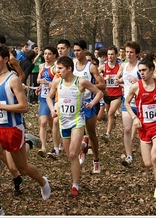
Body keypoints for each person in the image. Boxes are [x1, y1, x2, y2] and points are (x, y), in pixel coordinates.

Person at [0, 44, 51, 215]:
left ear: (5, 59)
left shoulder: (13, 79)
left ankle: (43, 181)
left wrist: (0, 106)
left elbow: (24, 107)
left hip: (13, 130)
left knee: (22, 169)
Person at [46, 56, 102, 197]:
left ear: (69, 68)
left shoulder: (80, 82)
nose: (57, 71)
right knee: (71, 157)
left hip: (77, 121)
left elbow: (99, 92)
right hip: (63, 122)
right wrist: (52, 109)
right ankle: (83, 146)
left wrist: (92, 103)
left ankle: (75, 186)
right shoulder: (57, 82)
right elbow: (48, 97)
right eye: (57, 68)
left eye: (60, 68)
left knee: (72, 153)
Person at [124, 52, 156, 199]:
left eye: (144, 70)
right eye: (139, 71)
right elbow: (126, 103)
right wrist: (134, 117)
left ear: (152, 70)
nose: (142, 73)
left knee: (155, 158)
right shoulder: (136, 87)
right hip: (143, 127)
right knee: (148, 163)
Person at [72, 39, 105, 173]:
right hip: (76, 104)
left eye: (79, 50)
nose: (76, 53)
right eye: (74, 51)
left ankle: (96, 160)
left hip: (89, 104)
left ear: (85, 51)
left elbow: (102, 85)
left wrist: (88, 87)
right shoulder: (72, 66)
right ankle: (82, 147)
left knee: (92, 134)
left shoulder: (90, 67)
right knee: (77, 132)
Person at [114, 41, 141, 167]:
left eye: (131, 52)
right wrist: (118, 81)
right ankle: (129, 157)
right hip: (127, 102)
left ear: (137, 54)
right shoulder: (123, 66)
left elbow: (150, 81)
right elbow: (123, 80)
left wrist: (138, 80)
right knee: (127, 130)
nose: (128, 54)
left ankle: (149, 152)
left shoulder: (140, 66)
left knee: (144, 130)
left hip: (141, 102)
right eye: (127, 52)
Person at [36, 45, 58, 158]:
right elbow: (38, 80)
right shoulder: (41, 66)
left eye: (49, 54)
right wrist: (41, 84)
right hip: (44, 98)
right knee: (43, 122)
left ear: (54, 56)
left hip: (55, 98)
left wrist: (48, 84)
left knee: (53, 123)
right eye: (45, 54)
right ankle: (43, 147)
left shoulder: (56, 68)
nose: (46, 56)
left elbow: (56, 83)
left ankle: (56, 145)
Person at [98, 45, 122, 140]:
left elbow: (126, 78)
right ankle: (112, 124)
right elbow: (97, 79)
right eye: (109, 54)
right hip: (107, 94)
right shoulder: (103, 67)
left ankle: (107, 134)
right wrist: (104, 78)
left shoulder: (120, 67)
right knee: (109, 114)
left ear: (116, 55)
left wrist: (119, 81)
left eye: (112, 54)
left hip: (117, 94)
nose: (110, 56)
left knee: (110, 113)